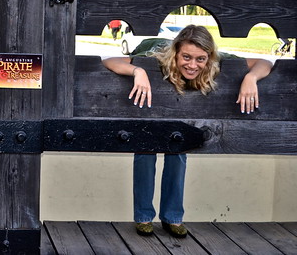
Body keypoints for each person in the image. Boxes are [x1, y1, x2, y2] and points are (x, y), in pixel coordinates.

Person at [102, 25, 272, 238]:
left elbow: (265, 62)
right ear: (175, 53)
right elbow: (108, 61)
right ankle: (143, 216)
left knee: (178, 150)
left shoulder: (217, 60)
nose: (192, 65)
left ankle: (172, 218)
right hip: (151, 100)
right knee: (145, 149)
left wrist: (251, 78)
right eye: (186, 57)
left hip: (179, 110)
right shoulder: (155, 55)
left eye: (200, 59)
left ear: (209, 57)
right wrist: (139, 70)